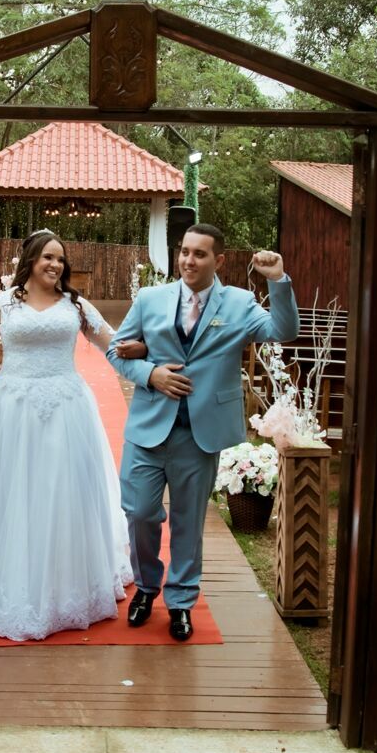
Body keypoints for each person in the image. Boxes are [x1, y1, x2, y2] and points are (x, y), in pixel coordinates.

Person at [0, 231, 148, 642]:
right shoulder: (2, 304)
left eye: (61, 259)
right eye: (48, 257)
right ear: (30, 259)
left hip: (66, 408)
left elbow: (111, 345)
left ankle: (66, 586)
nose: (55, 265)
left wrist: (149, 349)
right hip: (12, 408)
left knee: (62, 493)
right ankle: (0, 582)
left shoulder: (75, 306)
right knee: (9, 493)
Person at [107, 224, 300, 641]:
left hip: (200, 433)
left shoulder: (241, 303)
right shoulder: (150, 299)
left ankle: (180, 601)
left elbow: (283, 332)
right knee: (139, 513)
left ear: (219, 260)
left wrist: (279, 281)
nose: (188, 261)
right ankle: (145, 585)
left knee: (187, 521)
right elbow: (116, 351)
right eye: (184, 252)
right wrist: (150, 373)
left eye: (199, 254)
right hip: (148, 427)